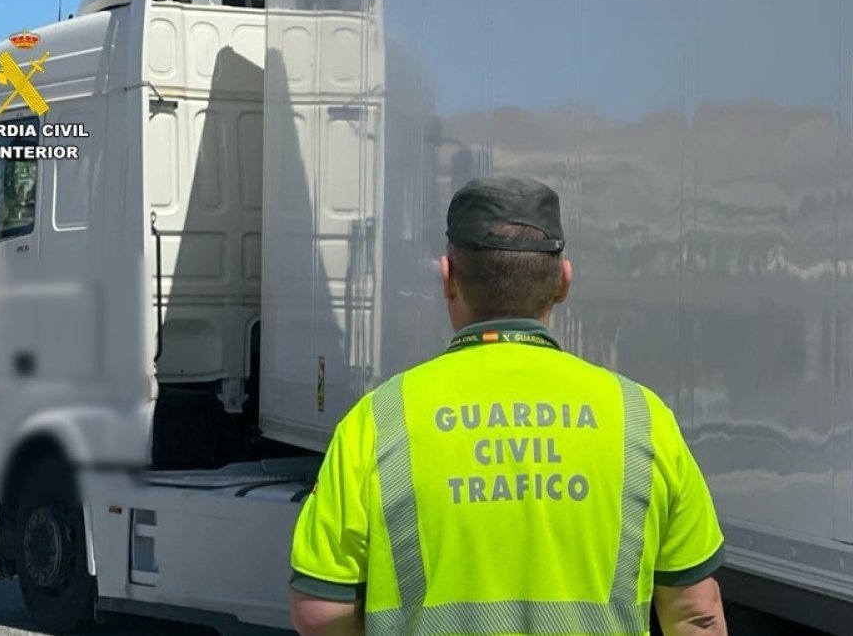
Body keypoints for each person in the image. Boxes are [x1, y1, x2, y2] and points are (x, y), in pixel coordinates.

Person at [288, 176, 727, 636]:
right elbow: (696, 613)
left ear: (448, 278)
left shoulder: (377, 421)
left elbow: (321, 610)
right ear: (562, 282)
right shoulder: (641, 418)